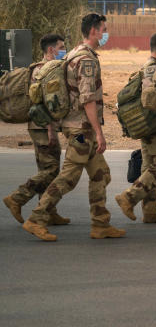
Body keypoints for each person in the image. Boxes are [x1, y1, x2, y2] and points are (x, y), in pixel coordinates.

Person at [22, 14, 125, 241]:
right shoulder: (85, 59)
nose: (105, 33)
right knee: (68, 177)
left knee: (100, 174)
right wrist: (99, 133)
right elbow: (88, 99)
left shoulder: (72, 54)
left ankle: (100, 224)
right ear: (93, 31)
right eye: (103, 29)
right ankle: (37, 218)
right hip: (81, 130)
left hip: (77, 126)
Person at [4, 33, 70, 226]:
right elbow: (44, 103)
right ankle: (17, 198)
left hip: (41, 125)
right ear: (51, 50)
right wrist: (51, 130)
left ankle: (49, 211)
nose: (63, 50)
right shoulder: (45, 70)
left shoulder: (39, 68)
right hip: (43, 126)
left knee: (47, 168)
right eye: (61, 47)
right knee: (50, 170)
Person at [115, 33, 156, 224]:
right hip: (153, 126)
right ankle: (129, 197)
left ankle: (150, 212)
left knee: (148, 167)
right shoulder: (153, 69)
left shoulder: (147, 67)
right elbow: (149, 98)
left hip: (146, 125)